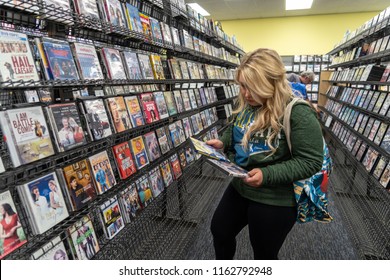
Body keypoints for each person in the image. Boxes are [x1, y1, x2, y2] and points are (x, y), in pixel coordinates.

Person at [206, 48, 323, 260]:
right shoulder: (247, 104)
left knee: (264, 254)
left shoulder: (297, 112)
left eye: (252, 87)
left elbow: (311, 161)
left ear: (272, 83)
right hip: (240, 185)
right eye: (242, 86)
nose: (246, 93)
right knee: (220, 230)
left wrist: (267, 174)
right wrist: (222, 142)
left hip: (274, 197)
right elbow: (238, 129)